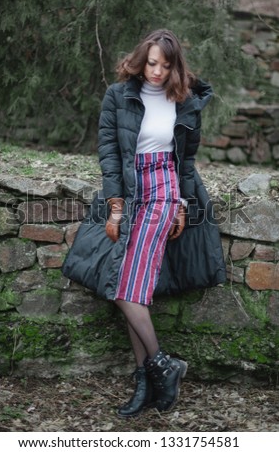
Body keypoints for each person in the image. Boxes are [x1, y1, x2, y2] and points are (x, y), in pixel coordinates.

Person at [62, 29, 226, 418]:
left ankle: (155, 371)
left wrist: (182, 205)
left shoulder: (184, 102)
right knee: (129, 286)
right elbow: (109, 153)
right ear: (141, 60)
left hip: (164, 190)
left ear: (175, 67)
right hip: (131, 191)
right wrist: (115, 205)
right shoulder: (118, 97)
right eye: (151, 63)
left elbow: (185, 162)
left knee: (126, 286)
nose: (156, 72)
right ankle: (154, 374)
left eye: (165, 65)